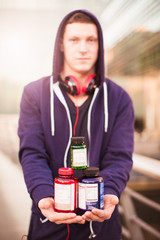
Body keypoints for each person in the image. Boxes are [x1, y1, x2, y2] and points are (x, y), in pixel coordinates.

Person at [18, 9, 134, 240]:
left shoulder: (119, 98)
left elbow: (119, 157)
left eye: (91, 40)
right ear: (61, 45)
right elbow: (32, 153)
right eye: (74, 40)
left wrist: (110, 192)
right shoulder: (34, 94)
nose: (83, 48)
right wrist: (43, 195)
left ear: (99, 46)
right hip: (48, 224)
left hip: (101, 228)